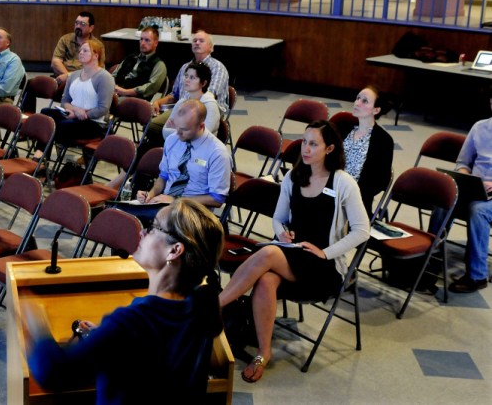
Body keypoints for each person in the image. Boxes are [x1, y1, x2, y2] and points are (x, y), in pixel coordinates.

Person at [24, 199, 224, 404]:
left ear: (174, 251)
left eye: (153, 227)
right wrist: (102, 338)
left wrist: (36, 322)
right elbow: (154, 356)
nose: (142, 233)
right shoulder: (203, 305)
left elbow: (54, 373)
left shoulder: (131, 321)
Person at [218, 120, 369, 383]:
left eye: (313, 144)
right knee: (266, 278)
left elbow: (362, 231)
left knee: (266, 255)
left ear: (330, 149)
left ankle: (214, 306)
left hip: (323, 267)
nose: (305, 149)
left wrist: (326, 252)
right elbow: (278, 218)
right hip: (292, 254)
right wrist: (281, 233)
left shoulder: (344, 183)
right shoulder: (293, 176)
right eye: (304, 142)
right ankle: (264, 353)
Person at [107, 62, 221, 192]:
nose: (187, 80)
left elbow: (200, 136)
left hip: (197, 151)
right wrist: (181, 131)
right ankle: (133, 188)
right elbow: (165, 130)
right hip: (177, 144)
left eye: (192, 77)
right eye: (186, 76)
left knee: (152, 148)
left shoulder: (210, 106)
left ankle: (122, 185)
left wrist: (176, 129)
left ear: (203, 83)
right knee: (146, 147)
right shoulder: (182, 102)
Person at [117, 99, 230, 224]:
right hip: (165, 204)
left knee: (147, 226)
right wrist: (151, 195)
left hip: (194, 213)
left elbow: (217, 199)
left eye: (184, 129)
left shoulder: (217, 153)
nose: (178, 133)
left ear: (201, 126)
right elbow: (163, 177)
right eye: (177, 127)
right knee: (120, 215)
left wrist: (175, 200)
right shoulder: (172, 140)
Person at [444, 92, 492, 293]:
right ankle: (430, 255)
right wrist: (465, 177)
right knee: (445, 197)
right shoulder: (480, 127)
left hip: (487, 198)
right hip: (475, 188)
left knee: (477, 210)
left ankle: (477, 275)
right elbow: (463, 163)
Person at [35, 39, 114, 161]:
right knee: (45, 114)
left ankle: (40, 159)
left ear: (96, 56)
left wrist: (81, 114)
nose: (80, 52)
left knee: (60, 126)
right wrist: (75, 111)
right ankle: (41, 156)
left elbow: (103, 108)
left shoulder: (104, 77)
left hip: (93, 122)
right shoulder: (74, 75)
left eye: (85, 50)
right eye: (80, 50)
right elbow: (65, 101)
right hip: (73, 115)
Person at [147, 30, 229, 140]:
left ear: (211, 47)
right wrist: (158, 102)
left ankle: (171, 148)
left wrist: (180, 122)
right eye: (194, 40)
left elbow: (209, 95)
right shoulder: (186, 67)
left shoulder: (218, 68)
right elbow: (174, 95)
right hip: (182, 107)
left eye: (201, 41)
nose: (197, 43)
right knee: (150, 126)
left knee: (154, 128)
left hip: (205, 111)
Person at [345, 86, 394, 214]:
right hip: (328, 189)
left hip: (357, 200)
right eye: (357, 98)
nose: (357, 103)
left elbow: (381, 181)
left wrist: (350, 192)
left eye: (364, 101)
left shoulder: (384, 140)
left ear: (376, 110)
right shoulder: (342, 128)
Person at [112, 26, 167, 101]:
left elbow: (150, 88)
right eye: (141, 39)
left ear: (156, 43)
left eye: (147, 40)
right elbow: (114, 75)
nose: (143, 43)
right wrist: (112, 87)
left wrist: (124, 92)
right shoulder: (130, 57)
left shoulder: (159, 65)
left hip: (135, 100)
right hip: (116, 93)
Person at [51, 11, 105, 85]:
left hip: (85, 81)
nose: (78, 26)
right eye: (76, 23)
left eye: (82, 24)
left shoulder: (97, 45)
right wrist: (69, 78)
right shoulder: (65, 39)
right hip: (63, 78)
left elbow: (98, 69)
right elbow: (55, 62)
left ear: (91, 28)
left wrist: (70, 76)